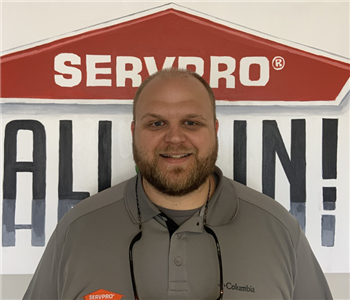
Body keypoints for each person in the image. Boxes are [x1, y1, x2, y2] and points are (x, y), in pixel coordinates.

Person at [23, 68, 332, 300]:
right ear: (134, 131)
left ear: (214, 129)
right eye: (156, 123)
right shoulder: (78, 229)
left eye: (191, 122)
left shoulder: (277, 228)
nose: (174, 138)